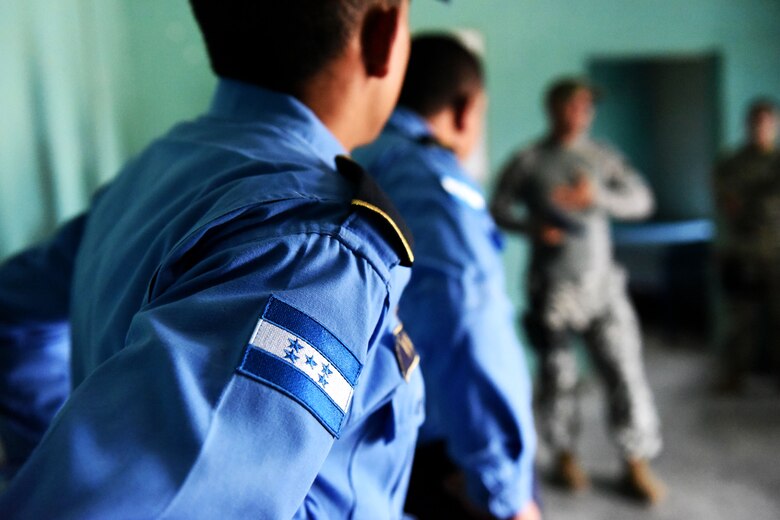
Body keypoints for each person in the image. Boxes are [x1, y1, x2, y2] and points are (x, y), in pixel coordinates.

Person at [0, 1, 433, 517]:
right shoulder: (311, 250)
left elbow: (14, 318)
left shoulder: (165, 165)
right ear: (384, 34)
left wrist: (47, 451)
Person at [355, 35, 540, 520]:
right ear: (464, 109)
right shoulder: (434, 183)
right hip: (444, 453)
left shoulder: (356, 155)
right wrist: (504, 489)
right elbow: (466, 329)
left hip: (375, 444)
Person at [491, 78, 664, 504]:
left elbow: (642, 201)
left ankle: (635, 461)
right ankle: (564, 455)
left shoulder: (601, 157)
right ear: (553, 108)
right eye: (572, 105)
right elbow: (497, 208)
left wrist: (597, 196)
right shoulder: (529, 161)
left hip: (602, 285)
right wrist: (531, 228)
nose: (581, 114)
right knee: (558, 378)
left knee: (625, 370)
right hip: (553, 289)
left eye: (587, 107)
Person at [713, 99, 780, 392]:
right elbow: (729, 204)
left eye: (767, 122)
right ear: (748, 125)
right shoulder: (732, 163)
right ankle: (735, 375)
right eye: (756, 122)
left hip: (776, 252)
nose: (761, 128)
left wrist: (755, 202)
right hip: (743, 250)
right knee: (740, 319)